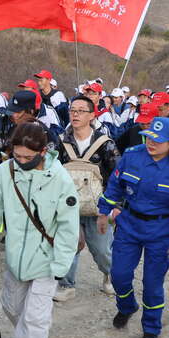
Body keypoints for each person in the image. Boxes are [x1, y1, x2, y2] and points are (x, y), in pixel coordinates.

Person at [0, 122, 79, 338]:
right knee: (13, 308)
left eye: (27, 157)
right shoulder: (4, 173)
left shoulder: (59, 178)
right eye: (17, 155)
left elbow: (69, 224)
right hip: (16, 259)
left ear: (43, 151)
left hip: (47, 260)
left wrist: (61, 265)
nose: (21, 161)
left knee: (35, 318)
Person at [98, 117, 169, 338]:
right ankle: (127, 306)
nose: (151, 143)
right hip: (129, 225)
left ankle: (151, 327)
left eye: (158, 140)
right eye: (149, 137)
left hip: (161, 231)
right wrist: (104, 212)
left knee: (152, 285)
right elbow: (114, 186)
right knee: (119, 275)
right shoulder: (132, 156)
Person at [55, 95, 120, 301]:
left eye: (81, 110)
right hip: (67, 207)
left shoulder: (105, 143)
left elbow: (117, 175)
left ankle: (110, 276)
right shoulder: (60, 141)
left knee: (102, 250)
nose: (75, 114)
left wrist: (115, 206)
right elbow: (51, 172)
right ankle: (66, 284)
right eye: (72, 110)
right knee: (68, 245)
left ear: (92, 115)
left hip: (97, 208)